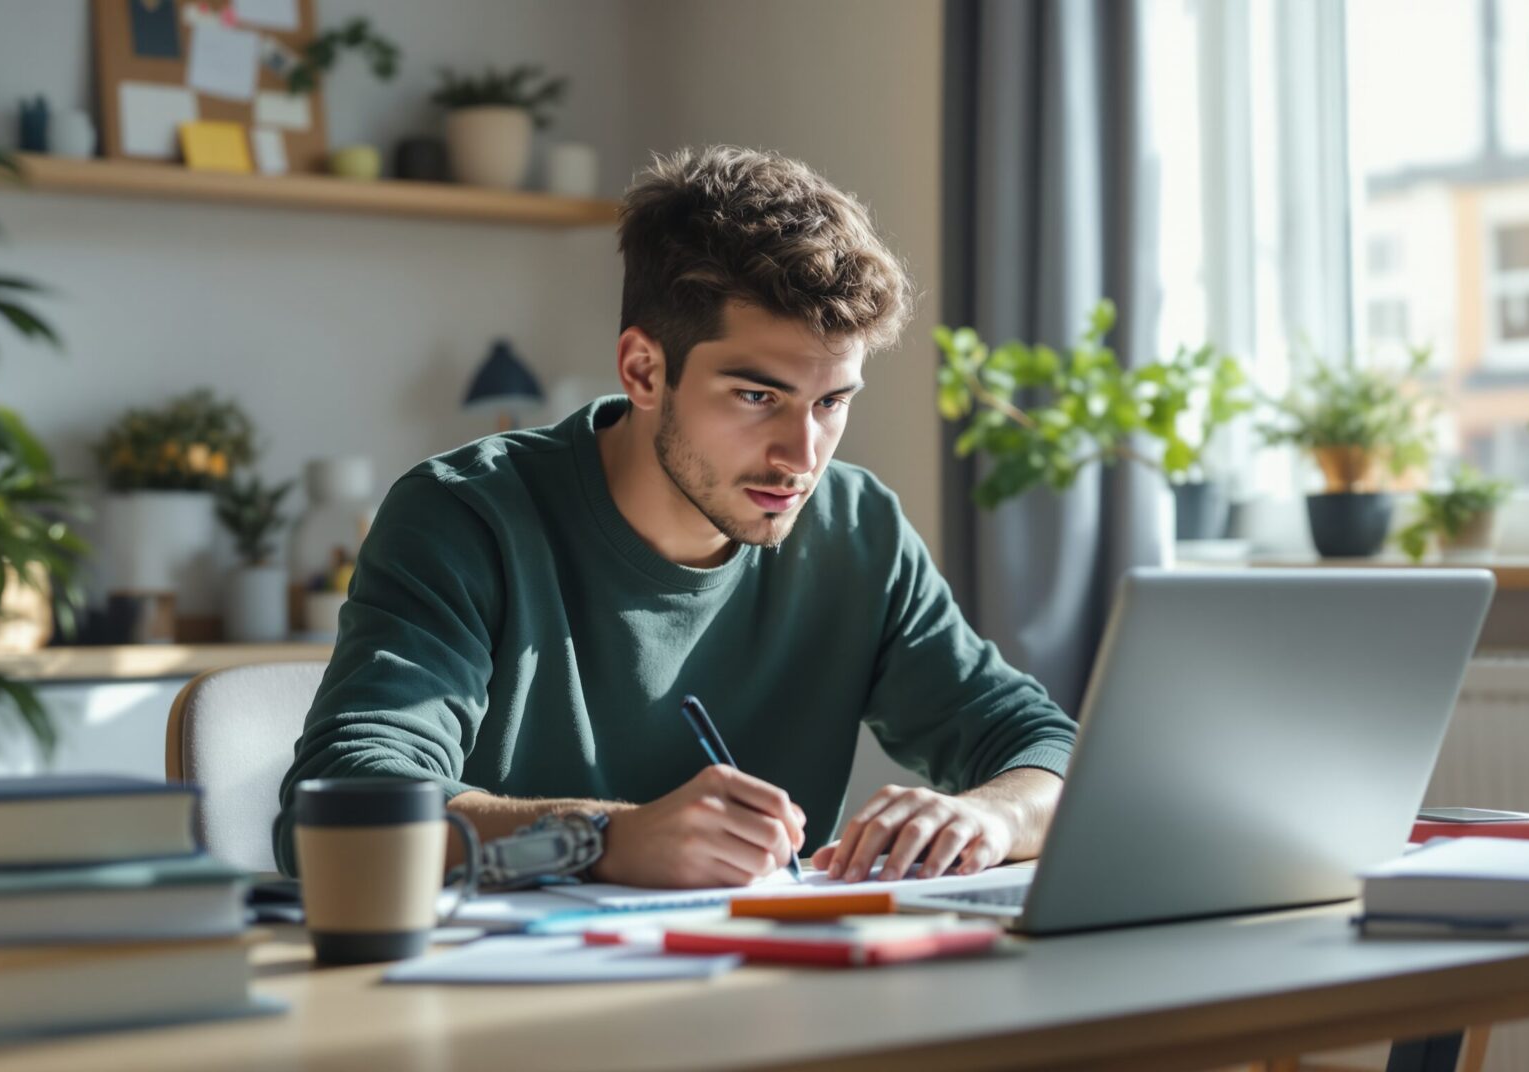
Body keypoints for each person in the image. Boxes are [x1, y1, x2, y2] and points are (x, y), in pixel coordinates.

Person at [273, 146, 1077, 888]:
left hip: (774, 980)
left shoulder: (856, 529)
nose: (801, 456)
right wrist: (602, 838)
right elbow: (340, 806)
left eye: (832, 402)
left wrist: (990, 816)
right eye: (756, 396)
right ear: (643, 370)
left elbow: (1052, 750)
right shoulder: (464, 516)